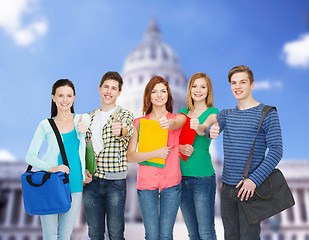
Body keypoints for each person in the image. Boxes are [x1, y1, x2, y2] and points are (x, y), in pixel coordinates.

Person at [207, 65, 283, 239]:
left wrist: (253, 180)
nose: (237, 87)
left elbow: (276, 150)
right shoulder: (226, 114)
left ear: (252, 84)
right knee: (230, 237)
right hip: (227, 189)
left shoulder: (267, 113)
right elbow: (209, 130)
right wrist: (208, 130)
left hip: (251, 190)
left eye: (242, 82)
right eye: (233, 83)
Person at [26, 79, 92, 240]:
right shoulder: (45, 125)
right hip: (50, 183)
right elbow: (30, 156)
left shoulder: (82, 120)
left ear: (74, 97)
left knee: (64, 235)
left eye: (69, 95)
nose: (65, 100)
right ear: (53, 98)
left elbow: (87, 126)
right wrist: (52, 168)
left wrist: (83, 130)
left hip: (75, 183)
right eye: (60, 95)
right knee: (50, 235)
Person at [127, 76, 186, 240]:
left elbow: (180, 121)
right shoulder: (138, 123)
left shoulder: (177, 119)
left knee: (166, 235)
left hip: (171, 183)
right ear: (148, 95)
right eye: (154, 91)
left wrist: (170, 124)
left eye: (163, 91)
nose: (159, 95)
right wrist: (155, 153)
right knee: (151, 235)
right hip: (146, 184)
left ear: (168, 94)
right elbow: (130, 156)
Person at [83, 71, 134, 240]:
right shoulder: (88, 117)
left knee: (116, 234)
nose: (109, 91)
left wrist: (120, 130)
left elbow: (127, 130)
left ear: (119, 92)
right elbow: (83, 148)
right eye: (106, 86)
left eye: (114, 88)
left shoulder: (124, 114)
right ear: (99, 89)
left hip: (115, 183)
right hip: (91, 182)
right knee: (94, 234)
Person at [178, 72, 218, 240]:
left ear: (208, 91)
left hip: (203, 178)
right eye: (194, 86)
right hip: (181, 178)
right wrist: (180, 147)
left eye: (203, 87)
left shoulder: (213, 112)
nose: (198, 90)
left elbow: (205, 130)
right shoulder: (181, 112)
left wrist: (198, 126)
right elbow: (172, 141)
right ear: (189, 89)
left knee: (206, 232)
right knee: (193, 233)